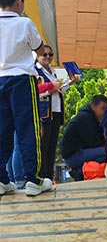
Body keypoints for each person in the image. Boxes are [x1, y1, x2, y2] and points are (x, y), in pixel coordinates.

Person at [0, 0, 53, 196]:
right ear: (20, 1)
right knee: (28, 130)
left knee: (2, 131)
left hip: (0, 79)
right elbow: (40, 50)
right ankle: (34, 180)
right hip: (22, 80)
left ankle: (3, 180)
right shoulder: (24, 23)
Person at [7, 80, 62, 189]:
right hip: (23, 109)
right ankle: (20, 179)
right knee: (19, 145)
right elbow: (33, 90)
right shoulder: (26, 72)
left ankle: (10, 179)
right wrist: (50, 86)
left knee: (12, 146)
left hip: (13, 107)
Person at [35, 45, 66, 180]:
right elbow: (35, 92)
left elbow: (59, 90)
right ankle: (41, 175)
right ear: (37, 56)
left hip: (56, 111)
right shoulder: (35, 71)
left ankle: (49, 175)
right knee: (43, 146)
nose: (48, 57)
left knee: (52, 145)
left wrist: (70, 83)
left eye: (50, 54)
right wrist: (50, 89)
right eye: (44, 55)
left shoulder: (52, 71)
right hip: (44, 114)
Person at [61, 95, 107, 180]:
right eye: (102, 108)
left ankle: (80, 171)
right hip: (73, 156)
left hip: (79, 152)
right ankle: (80, 172)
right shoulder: (85, 118)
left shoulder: (91, 117)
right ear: (94, 106)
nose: (105, 112)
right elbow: (93, 142)